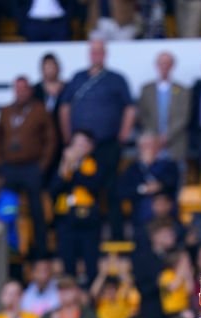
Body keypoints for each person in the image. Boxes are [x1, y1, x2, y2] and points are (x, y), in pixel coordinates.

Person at [59, 40, 135, 240]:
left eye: (100, 52)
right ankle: (81, 235)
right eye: (93, 52)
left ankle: (117, 237)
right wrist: (68, 137)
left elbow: (129, 107)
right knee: (80, 189)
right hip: (81, 146)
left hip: (107, 144)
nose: (96, 55)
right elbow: (65, 107)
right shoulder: (77, 78)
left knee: (111, 190)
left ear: (105, 54)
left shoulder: (116, 79)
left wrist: (123, 135)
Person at [0, 76, 57, 259]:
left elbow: (51, 139)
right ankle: (10, 249)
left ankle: (41, 252)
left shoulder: (39, 110)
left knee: (37, 211)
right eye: (17, 89)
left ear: (30, 91)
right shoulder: (6, 111)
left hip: (32, 167)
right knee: (8, 209)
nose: (21, 92)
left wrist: (42, 165)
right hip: (9, 167)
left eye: (24, 89)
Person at [51, 130, 103, 282]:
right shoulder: (62, 164)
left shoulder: (96, 164)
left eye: (83, 144)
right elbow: (54, 189)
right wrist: (65, 167)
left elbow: (94, 185)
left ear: (90, 147)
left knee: (91, 262)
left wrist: (74, 168)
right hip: (67, 219)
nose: (79, 148)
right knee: (68, 262)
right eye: (76, 144)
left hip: (89, 219)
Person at [138, 52, 192, 166]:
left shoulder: (182, 90)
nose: (164, 67)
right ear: (156, 65)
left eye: (167, 64)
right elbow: (142, 115)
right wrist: (154, 137)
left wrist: (167, 136)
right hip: (151, 145)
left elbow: (184, 116)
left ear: (172, 66)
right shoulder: (146, 89)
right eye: (161, 63)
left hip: (175, 144)